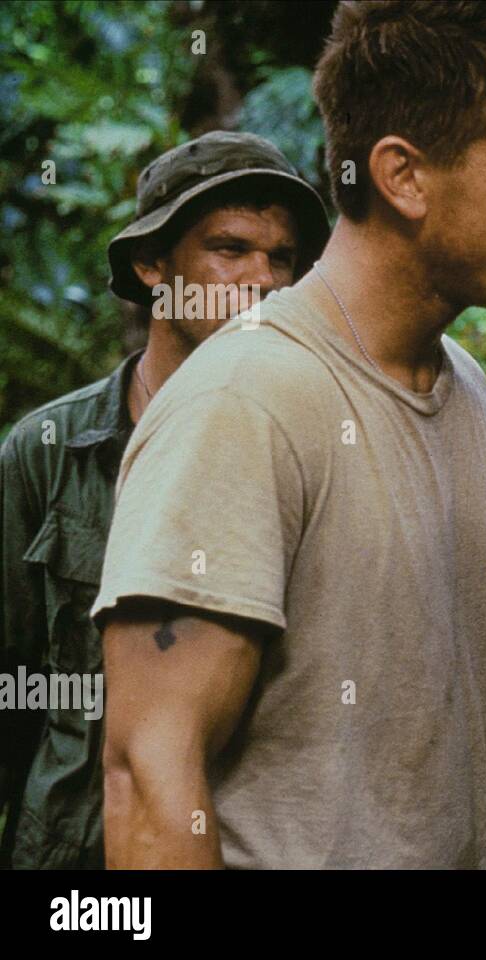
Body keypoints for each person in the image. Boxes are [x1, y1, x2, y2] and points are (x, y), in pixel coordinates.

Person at [91, 0, 486, 869]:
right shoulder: (245, 401)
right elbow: (148, 780)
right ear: (402, 176)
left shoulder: (465, 390)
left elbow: (476, 771)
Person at [0, 130, 328, 868]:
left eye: (282, 259)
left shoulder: (314, 446)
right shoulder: (48, 452)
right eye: (230, 249)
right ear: (152, 264)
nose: (263, 281)